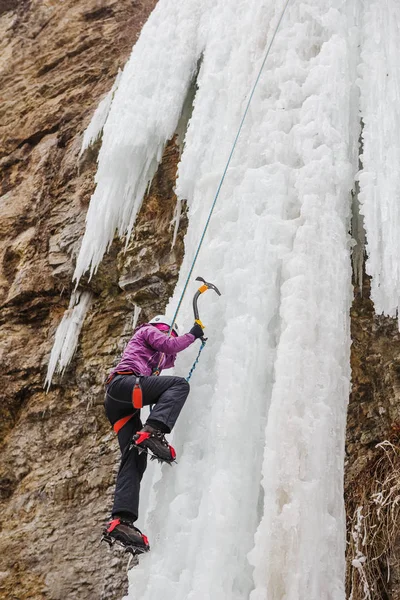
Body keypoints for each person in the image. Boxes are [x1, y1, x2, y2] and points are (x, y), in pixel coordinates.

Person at [102, 314, 204, 553]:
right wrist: (193, 334)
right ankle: (154, 430)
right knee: (179, 385)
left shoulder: (153, 355)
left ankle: (121, 520)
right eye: (170, 332)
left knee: (134, 458)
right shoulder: (147, 331)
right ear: (163, 327)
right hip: (124, 385)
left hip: (120, 404)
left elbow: (169, 356)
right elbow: (169, 345)